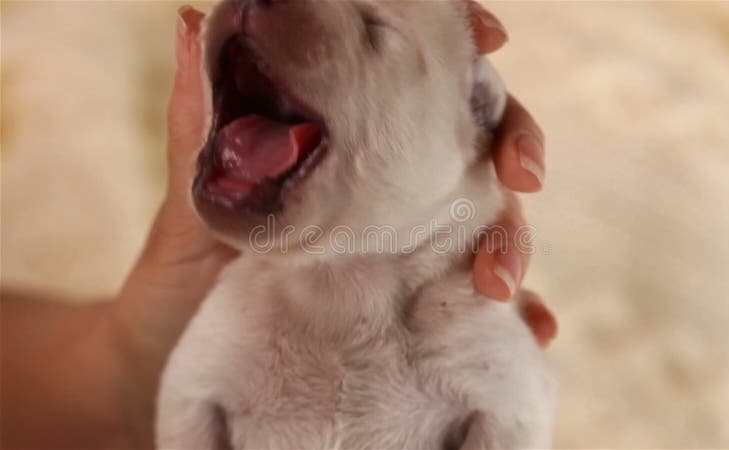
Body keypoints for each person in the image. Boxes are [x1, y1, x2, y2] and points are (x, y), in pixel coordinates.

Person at [0, 4, 554, 449]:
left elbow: (514, 414)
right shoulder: (239, 303)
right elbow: (191, 399)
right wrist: (125, 384)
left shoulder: (473, 330)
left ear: (476, 116)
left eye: (373, 30)